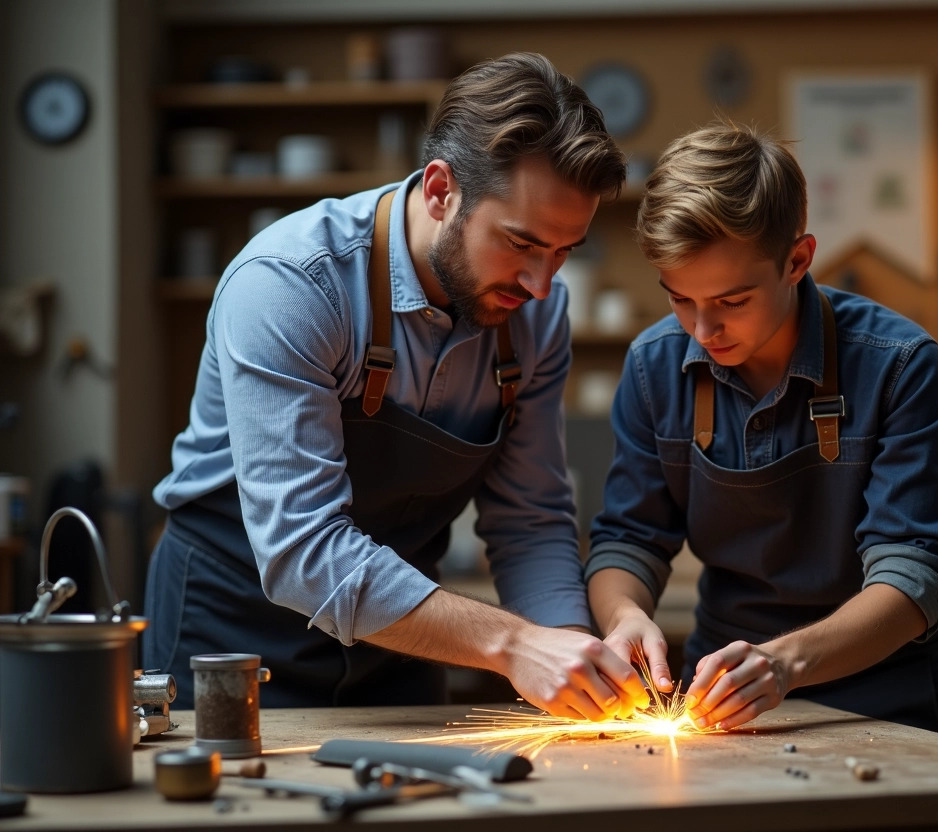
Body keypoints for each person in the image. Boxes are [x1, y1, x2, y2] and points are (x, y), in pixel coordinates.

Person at [143, 52, 650, 720]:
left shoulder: (535, 315)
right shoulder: (292, 284)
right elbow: (302, 551)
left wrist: (577, 655)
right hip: (234, 632)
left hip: (406, 640)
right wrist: (513, 643)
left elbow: (529, 522)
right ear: (441, 192)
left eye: (563, 252)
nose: (542, 284)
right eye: (522, 243)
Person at [586, 122, 938, 733]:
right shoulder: (652, 366)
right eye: (680, 299)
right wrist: (624, 616)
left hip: (882, 689)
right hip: (721, 693)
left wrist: (783, 665)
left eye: (732, 302)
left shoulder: (899, 365)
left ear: (797, 260)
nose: (702, 332)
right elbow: (629, 539)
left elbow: (913, 577)